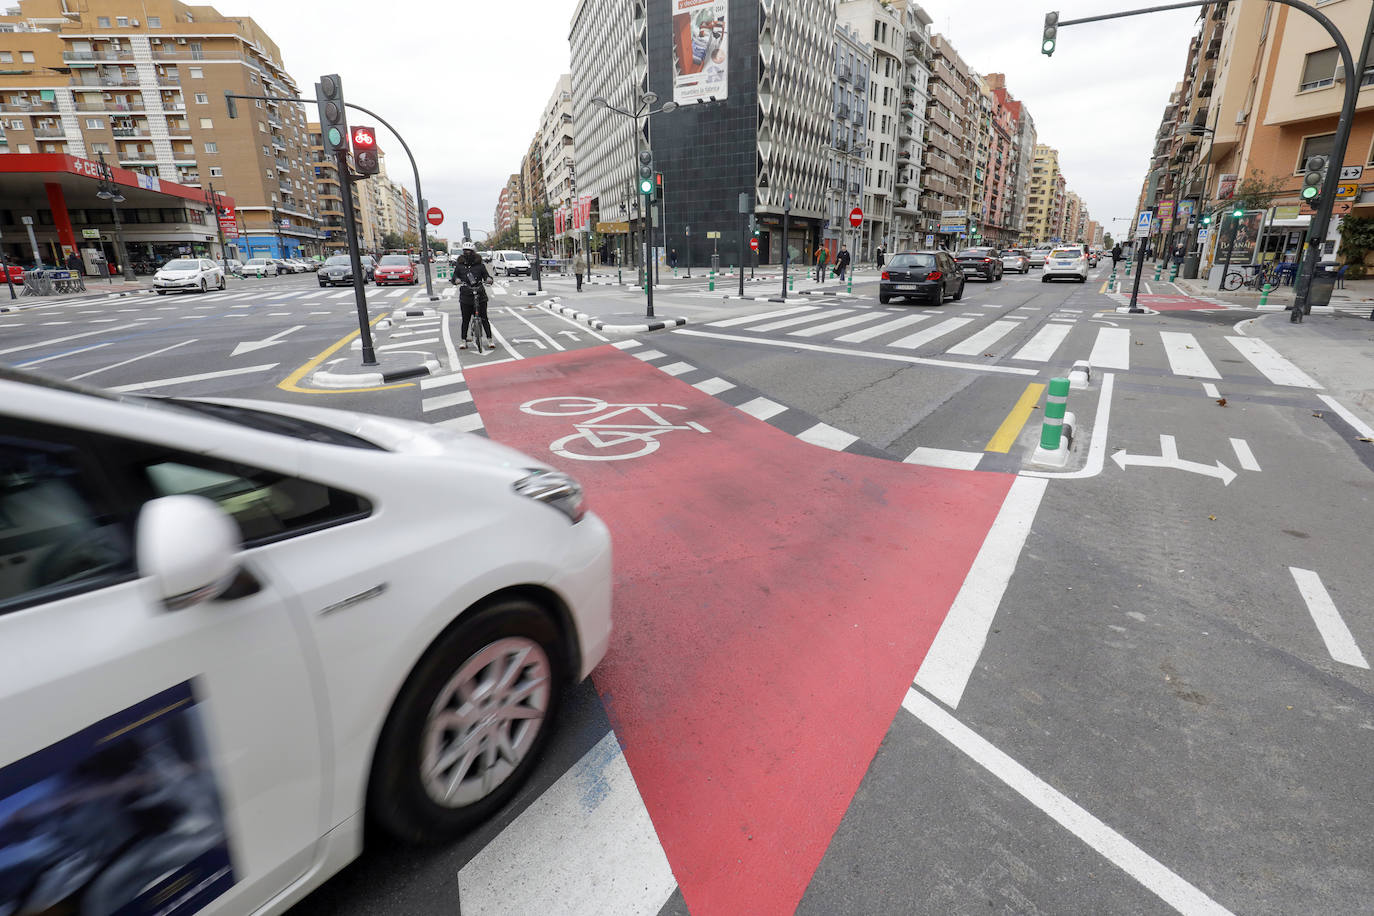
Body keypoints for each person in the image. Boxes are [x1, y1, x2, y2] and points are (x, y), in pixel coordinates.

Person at [451, 241, 495, 349]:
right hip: (466, 295)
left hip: (480, 294)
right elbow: (454, 276)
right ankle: (463, 340)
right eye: (465, 251)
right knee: (465, 319)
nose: (467, 253)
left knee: (484, 317)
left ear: (473, 252)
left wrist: (489, 279)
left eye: (469, 251)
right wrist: (456, 280)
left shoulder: (480, 265)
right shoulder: (459, 265)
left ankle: (490, 339)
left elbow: (486, 276)